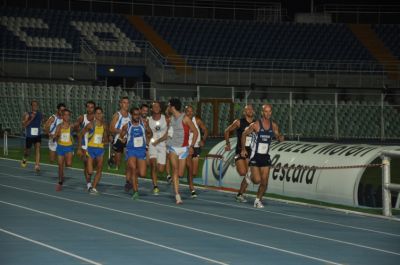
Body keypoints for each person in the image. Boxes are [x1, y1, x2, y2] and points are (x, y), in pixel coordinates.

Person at [241, 104, 284, 208]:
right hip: (255, 156)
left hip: (265, 156)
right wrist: (243, 149)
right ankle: (249, 176)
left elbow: (278, 135)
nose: (268, 113)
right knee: (257, 180)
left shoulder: (273, 125)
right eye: (266, 111)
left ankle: (257, 200)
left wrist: (280, 138)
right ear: (262, 112)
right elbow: (244, 134)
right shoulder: (255, 125)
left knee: (264, 182)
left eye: (269, 111)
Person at [167, 98, 198, 204]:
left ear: (173, 107)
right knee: (175, 171)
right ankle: (177, 195)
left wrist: (192, 146)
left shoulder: (185, 119)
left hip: (184, 149)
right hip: (173, 148)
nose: (168, 107)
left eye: (169, 105)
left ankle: (176, 184)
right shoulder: (170, 119)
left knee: (180, 173)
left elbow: (195, 131)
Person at [224, 104, 255, 203]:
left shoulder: (256, 123)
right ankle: (236, 162)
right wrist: (228, 143)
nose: (250, 110)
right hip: (240, 151)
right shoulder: (239, 122)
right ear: (244, 112)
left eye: (251, 109)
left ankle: (240, 194)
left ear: (253, 111)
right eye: (247, 109)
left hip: (251, 151)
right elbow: (227, 131)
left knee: (248, 174)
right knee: (243, 172)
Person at [120, 107, 151, 200]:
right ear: (131, 115)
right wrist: (123, 138)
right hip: (131, 150)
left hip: (141, 150)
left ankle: (132, 179)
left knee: (142, 173)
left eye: (138, 114)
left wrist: (148, 132)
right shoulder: (127, 126)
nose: (137, 116)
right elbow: (121, 136)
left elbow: (150, 133)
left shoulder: (144, 124)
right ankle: (135, 191)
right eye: (135, 114)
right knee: (133, 169)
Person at [79, 106, 108, 194]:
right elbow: (81, 134)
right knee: (90, 171)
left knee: (99, 169)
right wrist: (80, 147)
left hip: (100, 149)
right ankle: (89, 183)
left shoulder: (104, 125)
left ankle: (94, 187)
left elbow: (105, 137)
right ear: (95, 114)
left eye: (100, 113)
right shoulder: (90, 125)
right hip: (91, 149)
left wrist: (106, 140)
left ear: (102, 114)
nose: (99, 115)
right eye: (97, 113)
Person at [184, 105, 208, 198]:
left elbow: (205, 130)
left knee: (194, 172)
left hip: (196, 147)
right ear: (185, 112)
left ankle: (189, 180)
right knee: (190, 169)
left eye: (191, 111)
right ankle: (192, 188)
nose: (190, 113)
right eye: (188, 111)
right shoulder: (183, 121)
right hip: (187, 148)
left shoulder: (197, 121)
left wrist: (203, 140)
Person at [109, 97, 131, 188]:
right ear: (120, 104)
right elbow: (111, 128)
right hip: (118, 140)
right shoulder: (117, 115)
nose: (126, 104)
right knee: (118, 163)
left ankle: (128, 181)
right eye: (124, 102)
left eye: (127, 103)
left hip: (127, 141)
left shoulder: (130, 116)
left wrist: (127, 133)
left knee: (128, 161)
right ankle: (113, 158)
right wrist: (121, 131)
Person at [148, 101, 169, 195]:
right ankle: (155, 186)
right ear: (151, 109)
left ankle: (154, 175)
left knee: (161, 169)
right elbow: (147, 132)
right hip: (153, 145)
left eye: (157, 106)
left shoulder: (166, 119)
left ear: (160, 108)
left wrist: (159, 140)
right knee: (153, 165)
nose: (156, 108)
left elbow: (168, 133)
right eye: (154, 106)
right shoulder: (149, 120)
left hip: (162, 144)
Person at [52, 109, 74, 191]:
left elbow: (78, 131)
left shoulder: (71, 126)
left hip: (69, 147)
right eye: (65, 115)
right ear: (62, 116)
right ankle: (60, 182)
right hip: (60, 147)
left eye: (68, 115)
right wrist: (54, 137)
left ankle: (67, 160)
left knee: (69, 164)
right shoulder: (59, 126)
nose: (66, 116)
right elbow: (55, 134)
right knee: (60, 166)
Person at [75, 100, 95, 187]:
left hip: (94, 145)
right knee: (86, 163)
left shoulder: (97, 118)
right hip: (84, 144)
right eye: (88, 107)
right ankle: (89, 183)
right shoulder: (82, 118)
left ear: (94, 108)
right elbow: (75, 126)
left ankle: (89, 180)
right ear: (86, 108)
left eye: (91, 107)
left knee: (92, 165)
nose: (90, 109)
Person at [21, 100, 43, 172]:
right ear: (31, 106)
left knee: (38, 148)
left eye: (36, 105)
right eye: (33, 105)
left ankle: (37, 165)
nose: (35, 106)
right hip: (30, 136)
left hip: (38, 135)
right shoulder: (27, 114)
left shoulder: (40, 114)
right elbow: (24, 126)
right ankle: (24, 157)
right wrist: (31, 119)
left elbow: (41, 123)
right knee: (28, 151)